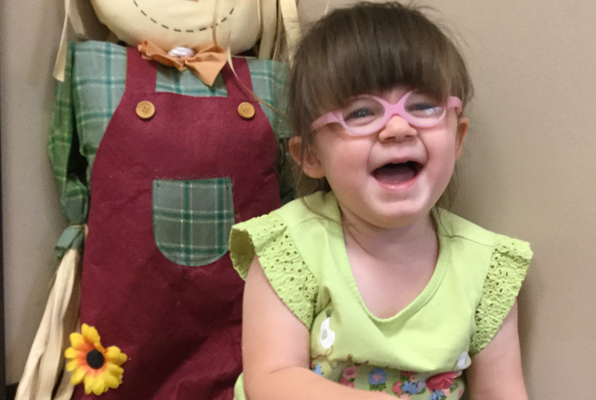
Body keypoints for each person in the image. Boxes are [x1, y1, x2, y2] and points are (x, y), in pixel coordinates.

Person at [228, 2, 532, 400]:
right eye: (360, 112)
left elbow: (501, 392)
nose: (398, 127)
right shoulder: (290, 247)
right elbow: (271, 380)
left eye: (423, 106)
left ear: (457, 138)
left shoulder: (486, 269)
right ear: (311, 157)